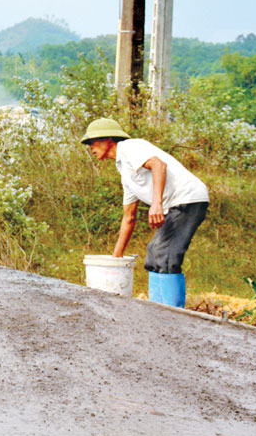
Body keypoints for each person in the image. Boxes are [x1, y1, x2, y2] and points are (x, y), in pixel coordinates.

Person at [81, 118, 209, 308]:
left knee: (165, 254)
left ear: (108, 139)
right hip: (175, 204)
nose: (90, 147)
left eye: (92, 141)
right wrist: (116, 258)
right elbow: (128, 218)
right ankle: (158, 309)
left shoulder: (131, 147)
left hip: (188, 199)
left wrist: (156, 204)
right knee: (153, 252)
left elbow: (158, 165)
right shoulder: (125, 171)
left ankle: (172, 314)